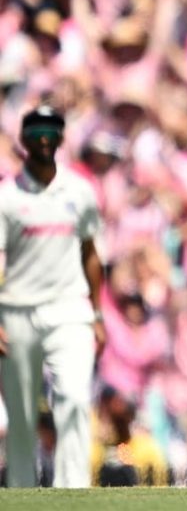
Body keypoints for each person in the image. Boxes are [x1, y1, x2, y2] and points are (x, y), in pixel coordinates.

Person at [0, 105, 107, 487]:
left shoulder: (80, 190)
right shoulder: (7, 196)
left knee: (76, 399)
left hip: (70, 310)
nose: (44, 137)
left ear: (62, 138)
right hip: (17, 312)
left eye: (51, 130)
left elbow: (91, 254)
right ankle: (22, 494)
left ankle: (73, 492)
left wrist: (97, 314)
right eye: (36, 131)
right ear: (23, 139)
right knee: (23, 412)